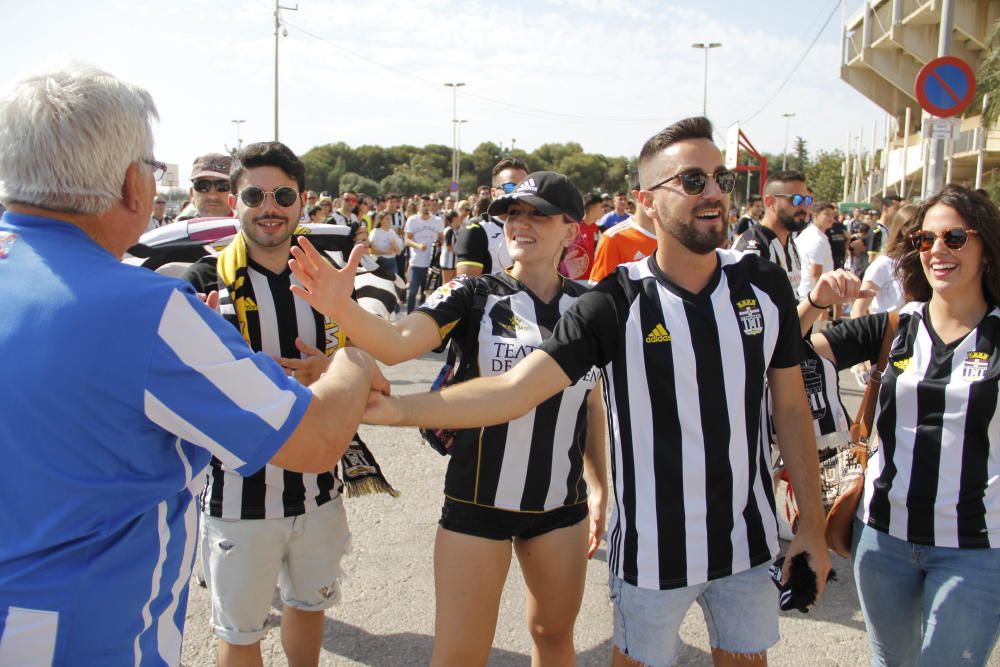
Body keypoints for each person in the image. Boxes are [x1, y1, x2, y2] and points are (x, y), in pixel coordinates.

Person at [335, 117, 836, 667]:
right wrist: (393, 405)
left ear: (569, 228)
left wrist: (812, 525)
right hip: (644, 549)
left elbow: (789, 407)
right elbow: (511, 392)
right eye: (693, 181)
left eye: (720, 179)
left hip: (744, 540)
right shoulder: (611, 302)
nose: (714, 192)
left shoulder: (760, 282)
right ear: (647, 199)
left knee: (575, 639)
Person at [0, 64, 384, 666]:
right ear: (132, 185)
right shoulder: (147, 308)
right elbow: (314, 441)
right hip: (78, 634)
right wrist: (357, 357)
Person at [287, 171, 608, 667]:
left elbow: (590, 402)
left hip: (559, 508)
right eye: (512, 215)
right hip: (476, 503)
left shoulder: (590, 306)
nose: (520, 224)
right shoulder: (473, 294)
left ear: (570, 229)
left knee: (552, 637)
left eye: (536, 214)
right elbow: (396, 345)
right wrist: (340, 306)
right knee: (459, 656)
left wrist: (598, 483)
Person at [180, 142, 362, 667]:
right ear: (234, 201)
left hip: (319, 488)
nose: (269, 207)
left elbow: (366, 368)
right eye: (254, 194)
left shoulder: (323, 276)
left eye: (282, 194)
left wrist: (337, 363)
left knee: (309, 606)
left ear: (302, 201)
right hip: (239, 494)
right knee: (240, 632)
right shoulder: (203, 281)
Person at [812, 185, 1000, 667]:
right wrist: (815, 302)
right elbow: (790, 351)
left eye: (955, 237)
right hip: (883, 537)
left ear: (986, 248)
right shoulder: (896, 326)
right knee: (891, 661)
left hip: (975, 547)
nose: (937, 250)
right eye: (925, 239)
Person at [733, 170, 808, 296]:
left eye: (807, 200)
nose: (804, 206)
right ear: (770, 202)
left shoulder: (789, 242)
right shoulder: (753, 247)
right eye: (796, 199)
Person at [454, 158, 530, 276]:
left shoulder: (537, 226)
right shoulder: (476, 229)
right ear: (493, 193)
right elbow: (467, 287)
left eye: (523, 187)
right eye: (510, 187)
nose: (517, 193)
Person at [851, 202, 918, 318]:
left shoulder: (928, 263)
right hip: (887, 332)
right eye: (919, 227)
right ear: (904, 228)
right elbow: (858, 311)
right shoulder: (884, 264)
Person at [590, 181, 659, 283]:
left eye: (624, 199)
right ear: (638, 196)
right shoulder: (611, 237)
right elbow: (600, 289)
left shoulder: (676, 236)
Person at [404, 195, 443, 313]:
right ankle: (409, 315)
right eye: (423, 205)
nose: (426, 207)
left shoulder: (437, 220)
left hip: (432, 264)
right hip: (417, 262)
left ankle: (423, 317)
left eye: (428, 205)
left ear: (431, 205)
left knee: (426, 293)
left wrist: (438, 244)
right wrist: (418, 246)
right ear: (419, 205)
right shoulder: (412, 220)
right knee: (412, 292)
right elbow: (407, 240)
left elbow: (442, 239)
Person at [796, 201, 837, 314]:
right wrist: (820, 304)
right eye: (827, 214)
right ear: (816, 215)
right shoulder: (817, 239)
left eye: (832, 215)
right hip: (811, 296)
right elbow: (816, 274)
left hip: (807, 295)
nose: (831, 218)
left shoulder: (809, 234)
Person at [176, 153, 234, 220]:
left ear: (235, 193)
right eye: (203, 186)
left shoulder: (245, 229)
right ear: (191, 194)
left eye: (222, 186)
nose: (212, 196)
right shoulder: (179, 229)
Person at [370, 209, 401, 275]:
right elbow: (371, 251)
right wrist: (387, 252)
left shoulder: (392, 232)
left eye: (390, 219)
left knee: (394, 283)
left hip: (392, 262)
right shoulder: (375, 232)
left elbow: (398, 253)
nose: (389, 221)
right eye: (387, 219)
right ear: (381, 220)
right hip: (380, 262)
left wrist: (394, 244)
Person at [440, 209, 461, 283]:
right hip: (449, 262)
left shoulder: (454, 230)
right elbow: (449, 247)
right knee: (446, 283)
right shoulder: (450, 231)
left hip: (452, 262)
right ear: (454, 219)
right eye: (458, 218)